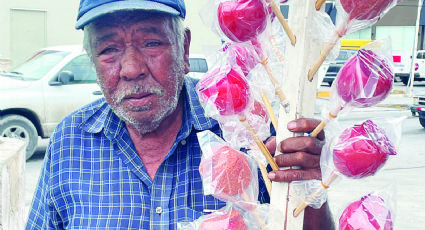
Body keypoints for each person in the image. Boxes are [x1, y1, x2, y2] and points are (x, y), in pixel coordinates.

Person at [26, 0, 334, 229]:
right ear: (93, 59)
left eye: (151, 43)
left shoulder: (249, 129)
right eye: (109, 49)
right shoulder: (70, 140)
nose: (132, 69)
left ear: (184, 49)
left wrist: (312, 190)